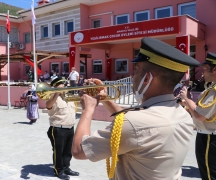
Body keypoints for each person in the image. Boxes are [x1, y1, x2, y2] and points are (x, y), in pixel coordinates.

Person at [71, 37, 200, 179]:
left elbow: (79, 150)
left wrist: (87, 109)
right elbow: (135, 125)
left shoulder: (134, 123)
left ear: (147, 78)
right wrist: (105, 99)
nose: (132, 75)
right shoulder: (182, 113)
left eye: (136, 70)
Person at [179, 52, 216, 180]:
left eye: (205, 70)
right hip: (209, 136)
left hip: (209, 139)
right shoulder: (211, 88)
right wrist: (188, 104)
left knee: (209, 175)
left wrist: (187, 98)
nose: (202, 74)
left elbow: (200, 115)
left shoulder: (214, 90)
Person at [46, 77, 79, 180]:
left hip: (70, 127)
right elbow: (48, 105)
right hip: (58, 128)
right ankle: (58, 170)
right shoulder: (51, 97)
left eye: (63, 84)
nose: (63, 86)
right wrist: (56, 93)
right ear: (55, 86)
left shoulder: (69, 96)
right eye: (60, 85)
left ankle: (66, 167)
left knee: (68, 151)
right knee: (58, 151)